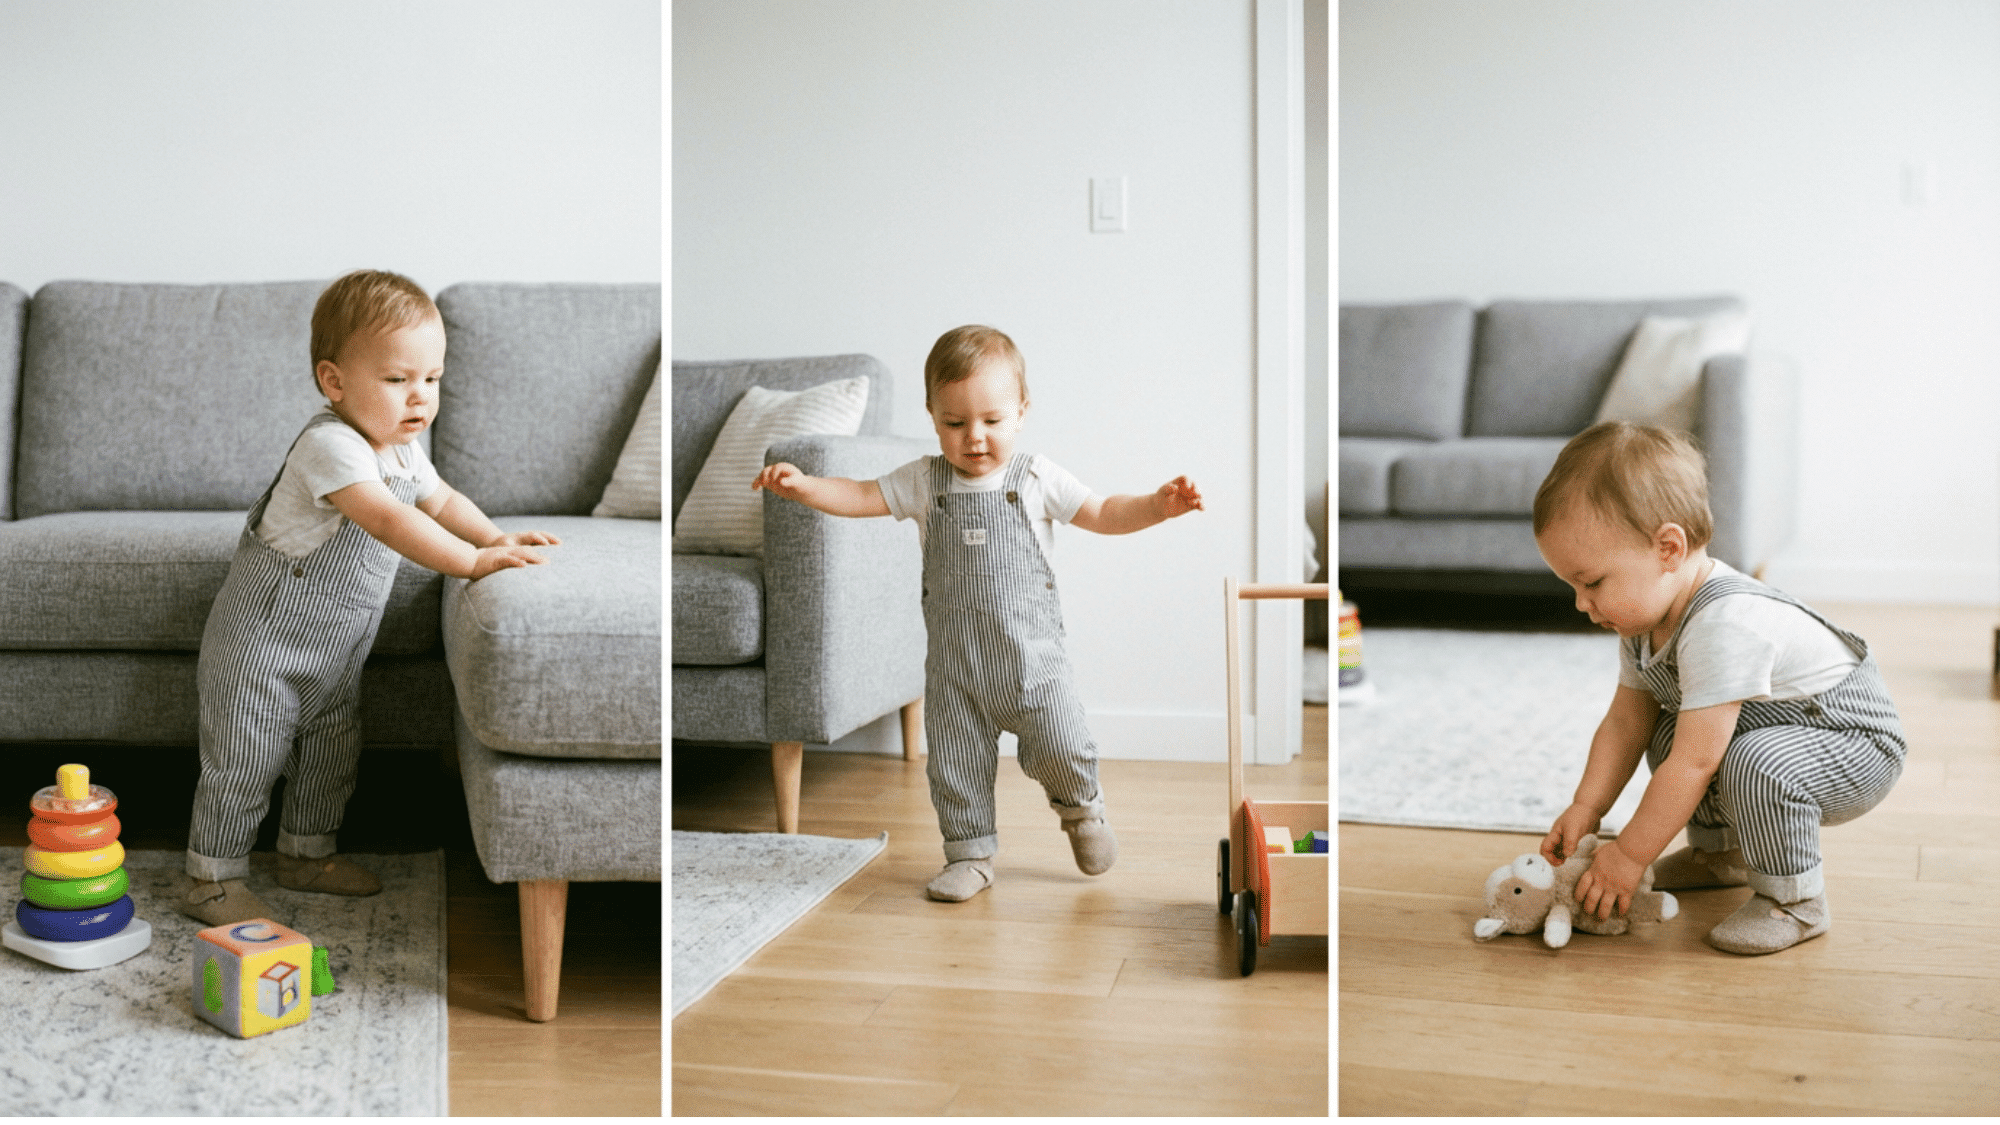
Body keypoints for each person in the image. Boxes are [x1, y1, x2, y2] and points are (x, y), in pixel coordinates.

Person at [752, 325, 1203, 901]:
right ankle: (969, 854)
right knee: (955, 767)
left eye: (992, 420)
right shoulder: (922, 481)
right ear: (933, 415)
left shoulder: (1035, 478)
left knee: (1063, 744)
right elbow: (863, 495)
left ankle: (1082, 812)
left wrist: (1156, 507)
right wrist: (807, 487)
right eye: (955, 423)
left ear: (1021, 411)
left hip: (1032, 665)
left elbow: (1102, 511)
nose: (975, 438)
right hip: (956, 671)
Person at [183, 270, 561, 925]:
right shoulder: (329, 447)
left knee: (331, 752)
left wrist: (494, 534)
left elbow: (440, 501)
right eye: (397, 380)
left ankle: (305, 853)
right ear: (335, 382)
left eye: (432, 379)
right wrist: (471, 562)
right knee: (246, 760)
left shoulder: (405, 450)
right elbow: (390, 520)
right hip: (262, 648)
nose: (419, 397)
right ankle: (211, 878)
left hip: (334, 650)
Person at [1533, 421, 1904, 954]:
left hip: (1852, 740)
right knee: (1663, 731)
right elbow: (1625, 722)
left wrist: (1631, 855)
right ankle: (1721, 854)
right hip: (1787, 724)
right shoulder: (1644, 622)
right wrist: (1587, 806)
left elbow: (1696, 763)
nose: (1580, 603)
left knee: (1753, 760)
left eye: (1592, 582)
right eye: (1571, 586)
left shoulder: (1722, 625)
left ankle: (1795, 901)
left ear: (1668, 549)